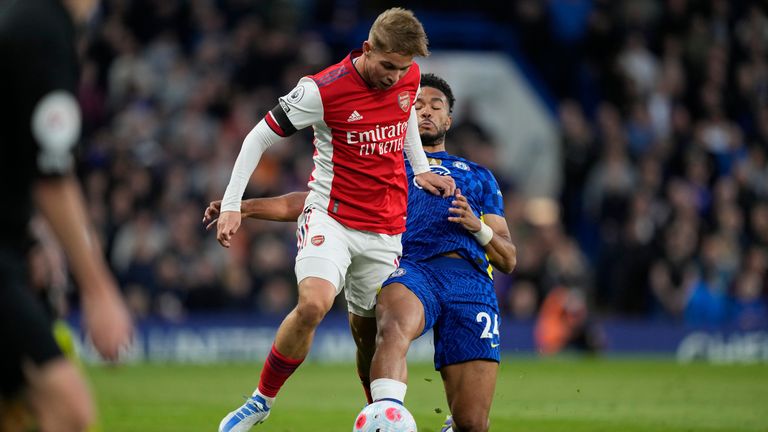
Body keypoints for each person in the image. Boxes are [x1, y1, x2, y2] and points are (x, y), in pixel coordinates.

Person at [205, 74, 516, 432]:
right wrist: (244, 207)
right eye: (417, 105)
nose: (426, 112)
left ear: (448, 119)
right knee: (391, 325)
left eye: (436, 107)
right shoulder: (385, 161)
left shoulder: (478, 176)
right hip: (413, 272)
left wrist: (478, 227)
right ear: (404, 113)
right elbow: (316, 201)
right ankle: (384, 418)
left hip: (470, 283)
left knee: (473, 424)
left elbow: (508, 257)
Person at [213, 8, 455, 432]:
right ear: (367, 49)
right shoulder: (321, 90)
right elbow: (259, 136)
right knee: (314, 303)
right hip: (332, 217)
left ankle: (380, 416)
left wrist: (418, 168)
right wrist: (234, 204)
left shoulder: (409, 77)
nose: (395, 78)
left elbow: (404, 122)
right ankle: (260, 401)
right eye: (387, 66)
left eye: (402, 69)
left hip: (385, 229)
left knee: (372, 336)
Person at [0, 0, 134, 431]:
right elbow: (51, 177)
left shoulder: (17, 17)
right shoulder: (42, 29)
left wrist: (31, 236)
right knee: (67, 409)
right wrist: (98, 290)